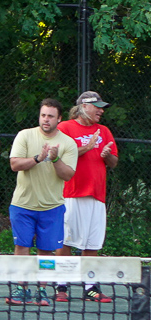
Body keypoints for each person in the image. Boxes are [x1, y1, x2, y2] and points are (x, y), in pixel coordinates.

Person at [6, 98, 77, 305]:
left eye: (51, 116)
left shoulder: (68, 143)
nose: (46, 119)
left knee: (46, 251)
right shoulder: (25, 135)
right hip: (22, 205)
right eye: (43, 115)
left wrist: (54, 159)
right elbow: (14, 164)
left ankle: (42, 290)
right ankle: (21, 288)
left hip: (52, 207)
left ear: (59, 119)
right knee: (22, 247)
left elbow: (68, 175)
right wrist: (38, 158)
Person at [54, 91, 118, 303]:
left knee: (93, 243)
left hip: (97, 195)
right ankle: (61, 285)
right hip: (71, 193)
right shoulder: (65, 128)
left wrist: (107, 155)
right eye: (97, 106)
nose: (101, 110)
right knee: (65, 240)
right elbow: (59, 156)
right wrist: (86, 147)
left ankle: (90, 286)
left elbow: (114, 162)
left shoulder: (104, 131)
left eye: (102, 107)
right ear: (83, 107)